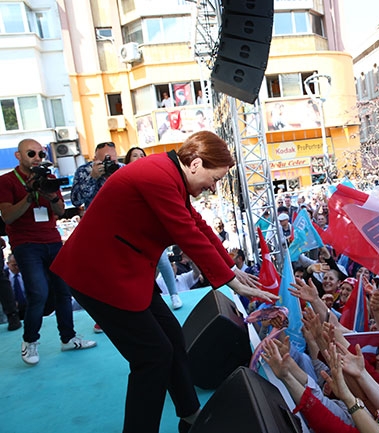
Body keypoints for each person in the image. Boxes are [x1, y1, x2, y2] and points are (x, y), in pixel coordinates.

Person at [50, 131, 278, 433]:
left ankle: (189, 414)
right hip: (100, 276)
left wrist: (229, 268)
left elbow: (197, 225)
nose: (214, 187)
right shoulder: (158, 176)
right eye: (215, 179)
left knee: (171, 335)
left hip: (126, 272)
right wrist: (230, 283)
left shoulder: (169, 173)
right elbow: (187, 234)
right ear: (196, 164)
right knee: (152, 357)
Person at [0, 138, 96, 365]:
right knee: (39, 293)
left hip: (52, 240)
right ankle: (30, 341)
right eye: (31, 154)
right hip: (26, 245)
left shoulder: (50, 179)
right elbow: (8, 217)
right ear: (18, 155)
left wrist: (48, 194)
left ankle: (68, 337)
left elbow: (60, 210)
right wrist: (30, 193)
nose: (37, 158)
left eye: (41, 155)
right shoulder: (6, 181)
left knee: (63, 291)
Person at [124, 147, 183, 310]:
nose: (139, 157)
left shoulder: (150, 177)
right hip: (128, 233)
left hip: (149, 231)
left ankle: (174, 295)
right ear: (127, 161)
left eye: (142, 155)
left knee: (163, 261)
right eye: (134, 155)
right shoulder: (120, 178)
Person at [70, 141, 123, 209]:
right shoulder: (84, 171)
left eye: (113, 161)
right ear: (95, 160)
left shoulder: (123, 169)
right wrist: (92, 178)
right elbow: (76, 201)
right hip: (97, 215)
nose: (110, 165)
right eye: (106, 162)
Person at [5, 253, 27, 321]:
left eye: (19, 264)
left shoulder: (27, 274)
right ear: (8, 264)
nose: (17, 267)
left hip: (28, 306)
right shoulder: (4, 277)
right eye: (14, 265)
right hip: (11, 310)